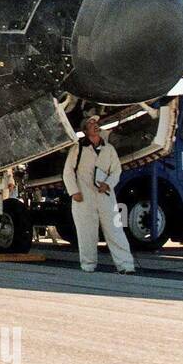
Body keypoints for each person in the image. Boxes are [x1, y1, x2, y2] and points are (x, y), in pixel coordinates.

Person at [63, 115, 136, 274]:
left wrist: (108, 184)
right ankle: (88, 265)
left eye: (96, 123)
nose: (95, 125)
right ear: (85, 129)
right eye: (91, 123)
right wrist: (74, 191)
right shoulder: (78, 149)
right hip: (84, 197)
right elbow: (68, 172)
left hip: (105, 196)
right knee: (86, 233)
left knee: (115, 230)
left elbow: (116, 170)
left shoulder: (109, 149)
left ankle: (126, 265)